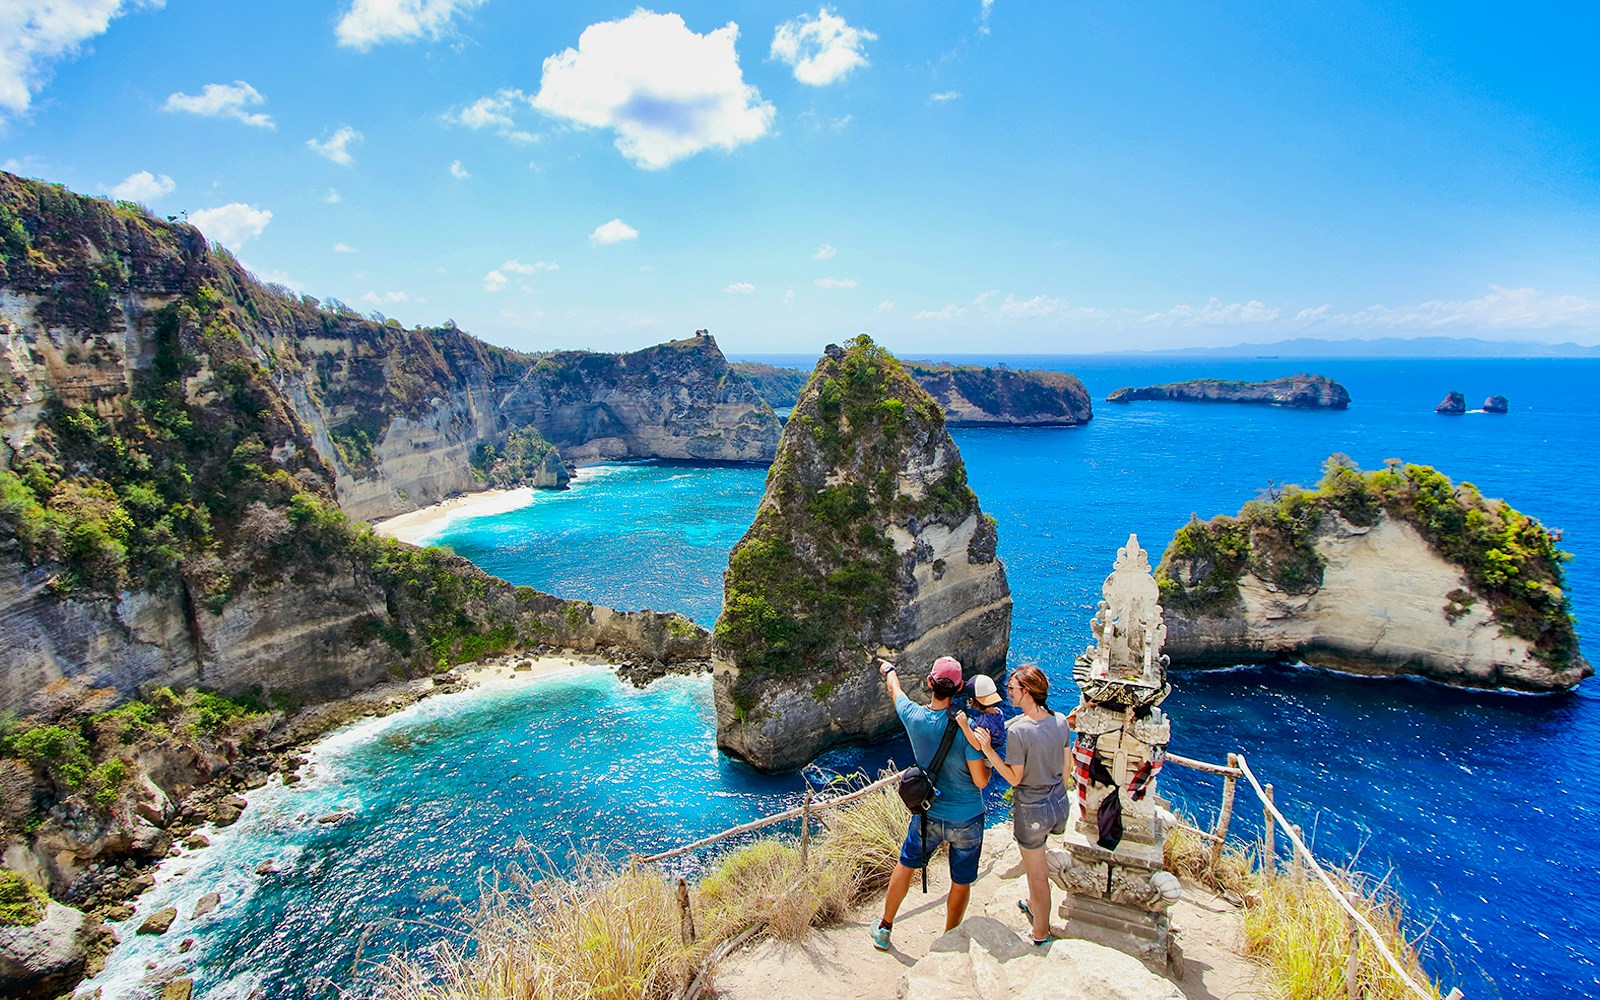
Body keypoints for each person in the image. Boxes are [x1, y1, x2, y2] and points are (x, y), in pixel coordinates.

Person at [872, 654, 991, 952]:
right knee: (960, 880)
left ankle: (885, 927)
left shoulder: (914, 716)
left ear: (929, 683)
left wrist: (890, 670)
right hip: (967, 817)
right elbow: (980, 781)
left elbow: (895, 692)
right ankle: (950, 937)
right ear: (960, 686)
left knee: (906, 864)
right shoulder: (968, 729)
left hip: (928, 813)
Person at [958, 663, 1073, 947]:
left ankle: (1040, 934)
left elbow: (1013, 778)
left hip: (1033, 809)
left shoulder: (1019, 732)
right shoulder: (1059, 721)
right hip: (1058, 803)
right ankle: (1035, 906)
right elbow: (1067, 771)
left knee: (1037, 875)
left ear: (1027, 692)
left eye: (1012, 689)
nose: (1008, 693)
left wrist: (987, 751)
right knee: (1039, 860)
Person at [962, 674, 1007, 757]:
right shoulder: (998, 711)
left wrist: (964, 725)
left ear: (972, 700)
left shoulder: (982, 723)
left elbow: (978, 746)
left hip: (986, 756)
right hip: (998, 747)